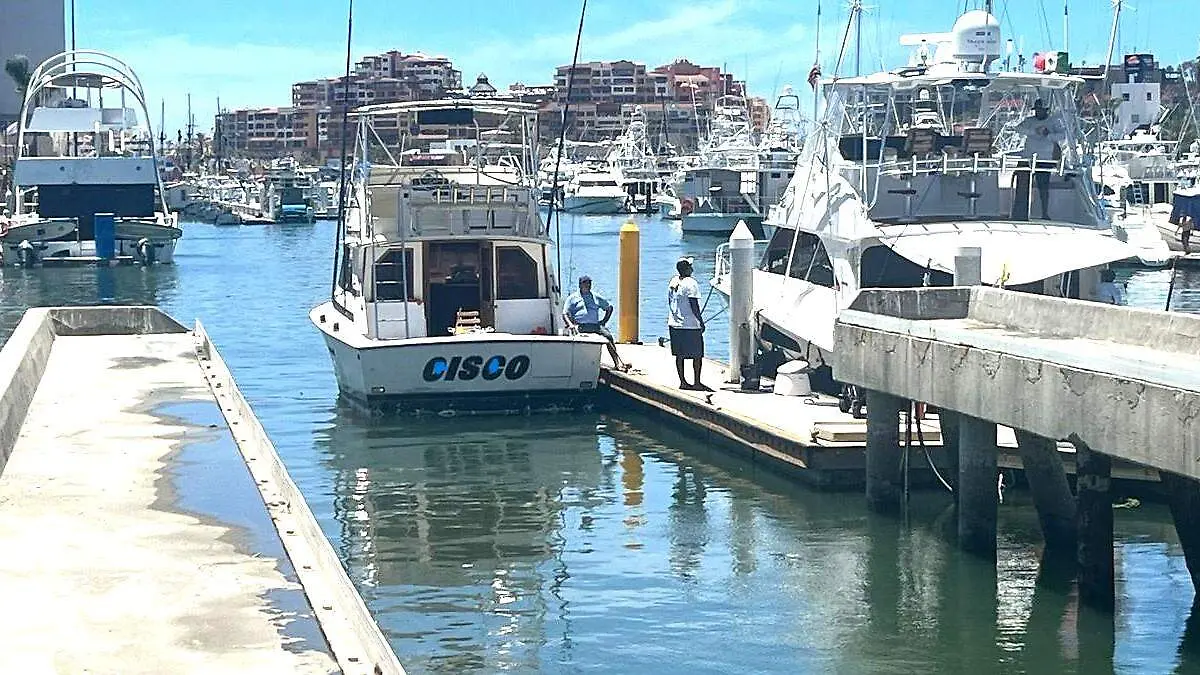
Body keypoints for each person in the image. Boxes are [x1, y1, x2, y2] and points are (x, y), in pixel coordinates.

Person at [1013, 98, 1066, 220]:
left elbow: (1063, 135)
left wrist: (1048, 134)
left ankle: (1044, 213)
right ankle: (1019, 213)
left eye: (1040, 110)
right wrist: (1033, 131)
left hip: (1045, 159)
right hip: (1027, 157)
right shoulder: (1029, 121)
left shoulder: (1054, 122)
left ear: (1046, 110)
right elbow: (1018, 129)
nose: (1038, 112)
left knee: (1043, 187)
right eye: (1036, 110)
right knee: (1021, 184)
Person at [563, 275, 628, 370]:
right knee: (577, 339)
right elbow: (565, 313)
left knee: (608, 336)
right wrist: (570, 324)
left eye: (589, 283)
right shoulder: (572, 298)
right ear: (580, 285)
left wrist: (604, 321)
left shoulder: (595, 297)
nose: (588, 285)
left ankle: (617, 363)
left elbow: (609, 308)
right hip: (580, 326)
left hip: (595, 325)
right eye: (585, 283)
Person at [667, 257, 709, 391]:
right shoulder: (691, 283)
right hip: (690, 324)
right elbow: (694, 304)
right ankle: (697, 382)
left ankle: (683, 382)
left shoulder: (673, 281)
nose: (692, 268)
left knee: (680, 355)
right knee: (697, 355)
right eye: (690, 266)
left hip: (674, 323)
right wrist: (700, 321)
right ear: (687, 269)